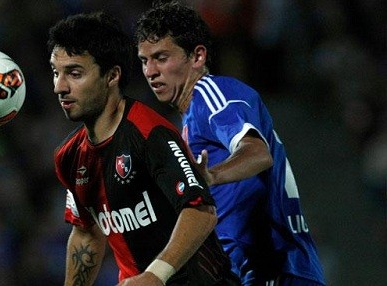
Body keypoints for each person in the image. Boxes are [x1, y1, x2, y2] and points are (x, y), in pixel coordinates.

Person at [135, 2, 326, 286]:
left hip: (279, 271)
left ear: (197, 56)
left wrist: (212, 175)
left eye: (161, 57)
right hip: (250, 275)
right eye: (143, 60)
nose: (150, 71)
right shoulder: (188, 122)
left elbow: (257, 153)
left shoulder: (213, 94)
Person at [48, 11, 239, 286]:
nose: (59, 87)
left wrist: (155, 275)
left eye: (74, 73)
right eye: (56, 73)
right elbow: (87, 233)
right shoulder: (69, 156)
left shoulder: (150, 133)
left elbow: (201, 212)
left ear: (112, 75)